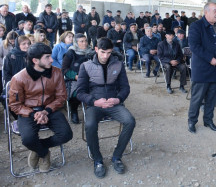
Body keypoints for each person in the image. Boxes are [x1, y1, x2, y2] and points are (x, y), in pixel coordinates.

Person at [8, 43, 73, 173]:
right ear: (35, 60)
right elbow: (15, 105)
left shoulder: (56, 72)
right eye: (47, 57)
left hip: (51, 109)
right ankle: (43, 153)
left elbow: (61, 97)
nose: (52, 60)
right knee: (28, 139)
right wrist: (33, 114)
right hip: (28, 112)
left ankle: (38, 148)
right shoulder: (19, 78)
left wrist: (46, 111)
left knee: (66, 134)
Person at [76, 37, 135, 178]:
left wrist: (118, 98)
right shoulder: (85, 66)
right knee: (90, 125)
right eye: (102, 52)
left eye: (109, 53)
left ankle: (117, 157)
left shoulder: (118, 64)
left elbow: (125, 87)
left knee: (130, 121)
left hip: (114, 103)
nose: (105, 56)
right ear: (96, 49)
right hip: (95, 105)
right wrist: (94, 101)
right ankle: (97, 160)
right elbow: (80, 92)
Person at [188, 2, 216, 134]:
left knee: (212, 98)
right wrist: (209, 58)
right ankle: (192, 121)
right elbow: (194, 46)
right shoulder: (196, 26)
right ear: (206, 12)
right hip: (202, 70)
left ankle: (208, 120)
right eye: (215, 11)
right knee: (197, 98)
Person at [62, 33, 92, 124]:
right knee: (77, 92)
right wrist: (75, 76)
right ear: (76, 42)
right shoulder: (70, 53)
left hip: (90, 77)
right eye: (81, 41)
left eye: (86, 41)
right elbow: (64, 69)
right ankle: (74, 110)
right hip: (74, 78)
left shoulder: (90, 52)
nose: (85, 43)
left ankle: (93, 111)